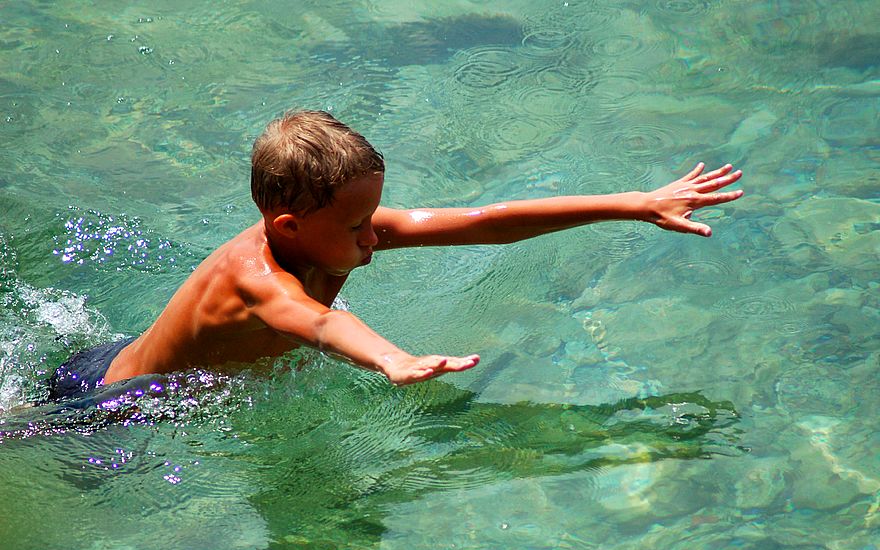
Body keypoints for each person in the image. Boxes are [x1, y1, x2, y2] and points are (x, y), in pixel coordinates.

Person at [48, 110, 743, 400]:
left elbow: (484, 223)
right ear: (288, 227)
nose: (375, 237)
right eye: (358, 227)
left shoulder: (332, 231)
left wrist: (633, 201)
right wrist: (391, 356)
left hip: (132, 363)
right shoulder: (255, 279)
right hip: (116, 402)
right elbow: (318, 324)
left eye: (373, 217)